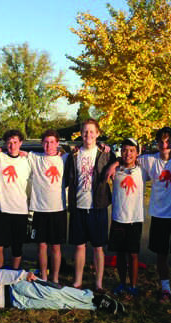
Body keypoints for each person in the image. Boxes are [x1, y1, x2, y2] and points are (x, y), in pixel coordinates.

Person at [0, 262, 124, 314]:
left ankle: (90, 296)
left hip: (15, 287)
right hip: (14, 304)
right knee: (55, 304)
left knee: (53, 290)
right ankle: (95, 306)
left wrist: (22, 275)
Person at [138, 127, 171, 305]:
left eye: (168, 141)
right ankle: (166, 289)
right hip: (159, 216)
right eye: (161, 141)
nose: (165, 145)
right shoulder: (149, 160)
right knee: (161, 255)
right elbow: (128, 159)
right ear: (157, 142)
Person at [64, 118, 116, 292]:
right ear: (81, 133)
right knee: (79, 246)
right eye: (85, 131)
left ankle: (98, 284)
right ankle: (77, 281)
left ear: (98, 134)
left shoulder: (105, 153)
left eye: (92, 131)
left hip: (98, 206)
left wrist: (114, 162)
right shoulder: (74, 154)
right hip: (78, 205)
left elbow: (122, 159)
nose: (88, 135)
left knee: (98, 247)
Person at [27, 129, 67, 283]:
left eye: (52, 142)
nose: (49, 145)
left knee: (56, 247)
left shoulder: (65, 158)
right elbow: (17, 152)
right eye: (45, 142)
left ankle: (55, 279)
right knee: (42, 246)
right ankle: (43, 277)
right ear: (42, 143)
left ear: (57, 143)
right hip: (39, 209)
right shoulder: (35, 158)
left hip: (58, 209)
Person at [108, 138, 146, 298]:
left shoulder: (142, 169)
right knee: (120, 255)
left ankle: (133, 285)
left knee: (133, 254)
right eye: (124, 150)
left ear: (137, 152)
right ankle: (122, 283)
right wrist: (115, 163)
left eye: (131, 150)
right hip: (118, 217)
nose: (127, 154)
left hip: (135, 219)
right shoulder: (116, 170)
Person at [0, 129, 31, 269]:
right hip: (0, 209)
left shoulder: (27, 160)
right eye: (9, 143)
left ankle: (14, 274)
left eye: (15, 142)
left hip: (20, 210)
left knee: (17, 247)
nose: (12, 145)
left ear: (21, 143)